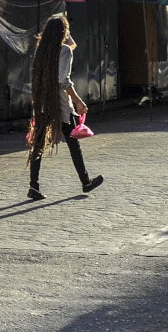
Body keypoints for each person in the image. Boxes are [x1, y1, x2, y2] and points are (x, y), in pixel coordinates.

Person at [26, 15, 104, 201]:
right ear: (63, 32)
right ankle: (85, 181)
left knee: (38, 144)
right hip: (59, 104)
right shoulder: (65, 51)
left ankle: (33, 186)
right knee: (73, 143)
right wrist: (78, 101)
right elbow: (63, 81)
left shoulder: (41, 51)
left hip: (43, 102)